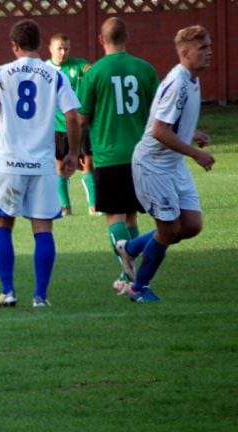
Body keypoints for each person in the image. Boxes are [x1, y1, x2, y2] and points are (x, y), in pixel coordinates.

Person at [0, 19, 80, 308]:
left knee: (2, 223)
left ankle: (8, 291)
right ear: (39, 43)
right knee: (43, 228)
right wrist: (72, 154)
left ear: (14, 46)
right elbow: (72, 117)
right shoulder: (54, 75)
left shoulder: (0, 73)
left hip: (9, 162)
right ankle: (41, 296)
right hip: (43, 164)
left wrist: (7, 129)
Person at [116, 26, 215, 303]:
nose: (209, 52)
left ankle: (131, 247)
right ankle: (139, 288)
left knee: (191, 225)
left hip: (172, 164)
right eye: (202, 48)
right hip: (153, 164)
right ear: (185, 52)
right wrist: (195, 154)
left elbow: (165, 119)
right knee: (169, 229)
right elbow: (159, 131)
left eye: (208, 46)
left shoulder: (192, 79)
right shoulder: (179, 83)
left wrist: (191, 133)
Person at [77, 17, 160, 294]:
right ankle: (130, 278)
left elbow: (81, 117)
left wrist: (76, 149)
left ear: (102, 40)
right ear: (127, 36)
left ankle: (130, 274)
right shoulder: (145, 69)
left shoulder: (94, 73)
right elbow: (160, 111)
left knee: (115, 218)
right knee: (132, 217)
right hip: (140, 155)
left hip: (110, 156)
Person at [46, 33, 97, 216]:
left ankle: (94, 205)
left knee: (87, 163)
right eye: (59, 48)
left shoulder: (78, 65)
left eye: (66, 48)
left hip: (79, 125)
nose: (63, 52)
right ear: (50, 49)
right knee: (60, 167)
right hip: (57, 127)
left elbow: (94, 71)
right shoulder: (45, 70)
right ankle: (65, 207)